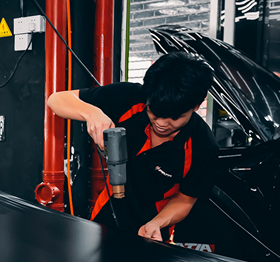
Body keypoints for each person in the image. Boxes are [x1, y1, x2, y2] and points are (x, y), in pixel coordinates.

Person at [47, 51, 217, 241]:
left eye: (175, 117)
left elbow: (185, 200)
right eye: (154, 112)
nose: (161, 123)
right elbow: (56, 100)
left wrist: (156, 224)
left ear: (197, 105)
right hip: (104, 217)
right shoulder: (129, 97)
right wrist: (91, 113)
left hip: (152, 230)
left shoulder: (203, 146)